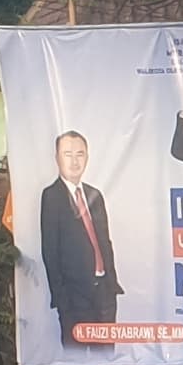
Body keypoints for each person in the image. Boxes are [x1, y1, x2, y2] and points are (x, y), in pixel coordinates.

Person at [35, 131, 120, 342]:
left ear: (87, 158)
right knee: (77, 356)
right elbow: (50, 251)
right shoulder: (51, 196)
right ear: (57, 158)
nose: (74, 161)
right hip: (74, 297)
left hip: (104, 293)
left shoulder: (95, 195)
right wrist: (62, 299)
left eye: (80, 154)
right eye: (68, 154)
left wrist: (111, 283)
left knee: (106, 354)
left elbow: (104, 242)